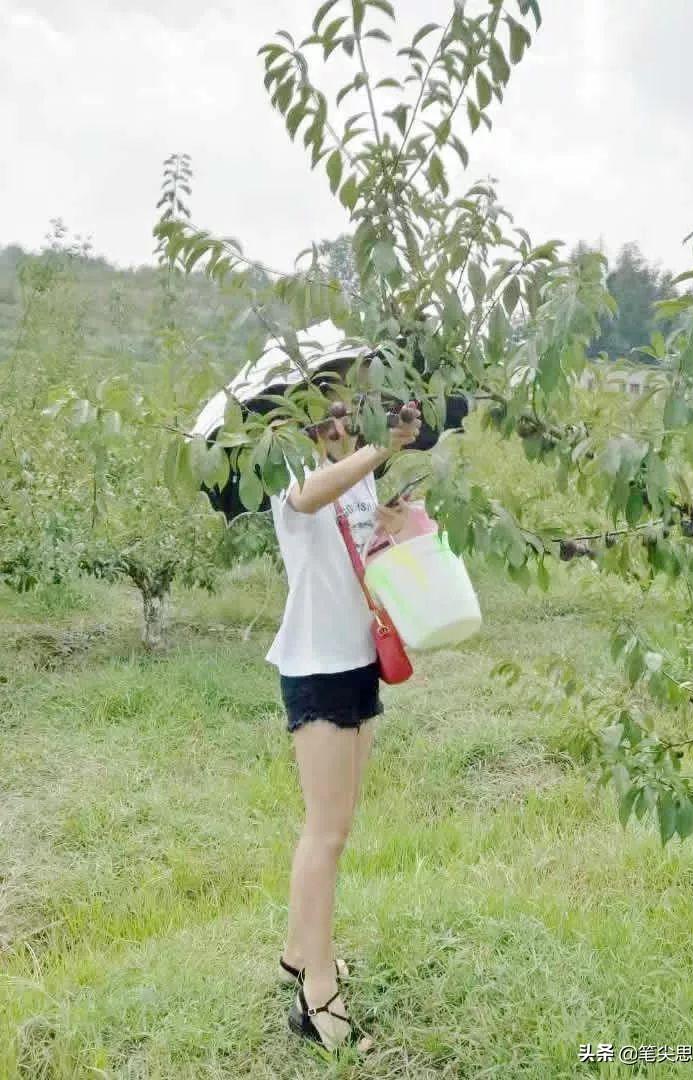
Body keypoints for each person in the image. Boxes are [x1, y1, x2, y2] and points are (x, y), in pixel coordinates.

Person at [265, 398, 422, 1054]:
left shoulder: (357, 473)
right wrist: (383, 447)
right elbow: (306, 498)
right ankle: (317, 994)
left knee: (340, 825)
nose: (335, 427)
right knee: (324, 834)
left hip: (361, 657)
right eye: (321, 417)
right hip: (316, 665)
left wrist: (397, 522)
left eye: (343, 414)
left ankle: (300, 952)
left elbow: (368, 550)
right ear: (300, 424)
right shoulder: (289, 470)